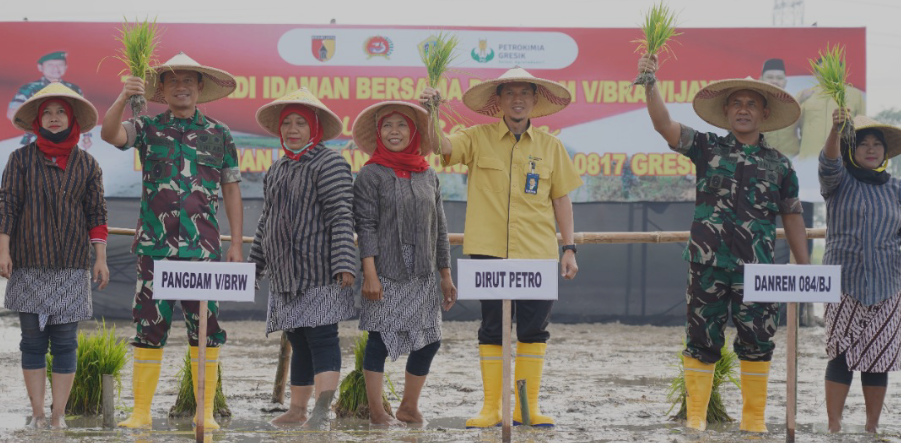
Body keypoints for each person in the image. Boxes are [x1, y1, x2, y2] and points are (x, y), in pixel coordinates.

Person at [637, 54, 811, 433]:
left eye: (752, 104)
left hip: (758, 270)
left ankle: (754, 419)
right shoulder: (707, 148)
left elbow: (793, 216)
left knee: (759, 341)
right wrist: (650, 83)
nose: (744, 110)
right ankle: (696, 415)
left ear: (764, 113)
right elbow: (664, 125)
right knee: (701, 339)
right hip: (708, 263)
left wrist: (805, 266)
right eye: (737, 103)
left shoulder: (780, 165)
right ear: (727, 111)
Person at [420, 66, 583, 428]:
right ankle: (491, 407)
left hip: (538, 253)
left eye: (525, 93)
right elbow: (441, 148)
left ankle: (527, 407)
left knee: (534, 331)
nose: (518, 99)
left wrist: (569, 248)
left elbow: (562, 200)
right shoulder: (477, 138)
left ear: (535, 99)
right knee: (492, 329)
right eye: (510, 93)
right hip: (488, 251)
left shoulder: (551, 147)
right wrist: (432, 112)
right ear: (499, 101)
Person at [100, 52, 244, 430]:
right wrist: (121, 97)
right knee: (148, 327)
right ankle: (141, 412)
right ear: (161, 89)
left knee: (206, 329)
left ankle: (205, 413)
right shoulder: (146, 127)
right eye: (172, 81)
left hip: (203, 251)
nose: (181, 87)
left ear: (199, 87)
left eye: (188, 81)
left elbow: (231, 189)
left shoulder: (219, 134)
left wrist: (236, 245)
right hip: (155, 250)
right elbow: (110, 134)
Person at [1, 83, 109, 429]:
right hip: (28, 262)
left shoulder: (88, 165)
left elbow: (97, 214)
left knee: (65, 342)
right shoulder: (19, 160)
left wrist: (100, 258)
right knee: (31, 341)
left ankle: (59, 415)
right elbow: (7, 208)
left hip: (72, 266)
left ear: (72, 117)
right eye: (47, 112)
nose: (54, 118)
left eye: (61, 111)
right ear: (37, 120)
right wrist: (3, 250)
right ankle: (36, 413)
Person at [248, 87, 356, 428]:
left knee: (322, 335)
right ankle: (297, 410)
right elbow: (266, 219)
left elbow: (341, 215)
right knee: (296, 336)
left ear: (315, 128)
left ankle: (322, 409)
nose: (292, 129)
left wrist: (343, 263)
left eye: (300, 123)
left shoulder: (331, 163)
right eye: (287, 124)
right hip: (285, 274)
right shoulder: (277, 168)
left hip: (320, 270)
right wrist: (255, 266)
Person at [352, 101, 457, 425]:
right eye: (387, 125)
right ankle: (376, 411)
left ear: (414, 132)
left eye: (402, 125)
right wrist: (370, 274)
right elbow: (365, 226)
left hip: (423, 270)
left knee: (430, 338)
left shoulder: (428, 174)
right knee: (380, 338)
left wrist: (445, 275)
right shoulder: (371, 173)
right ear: (379, 132)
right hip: (385, 269)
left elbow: (439, 227)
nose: (394, 131)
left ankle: (408, 407)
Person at [819, 112, 901, 433]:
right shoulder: (838, 182)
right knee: (840, 355)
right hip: (842, 284)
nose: (870, 149)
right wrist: (835, 128)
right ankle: (834, 427)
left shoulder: (896, 189)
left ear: (884, 152)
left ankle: (871, 428)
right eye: (863, 144)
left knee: (878, 359)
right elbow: (828, 163)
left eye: (876, 144)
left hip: (888, 285)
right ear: (851, 150)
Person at [7, 52, 92, 148]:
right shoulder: (29, 89)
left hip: (67, 142)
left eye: (60, 65)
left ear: (66, 67)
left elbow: (84, 114)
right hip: (35, 142)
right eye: (50, 65)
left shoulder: (74, 89)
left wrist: (87, 137)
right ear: (40, 67)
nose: (55, 69)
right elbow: (12, 113)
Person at [796, 59, 866, 160]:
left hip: (844, 159)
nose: (827, 75)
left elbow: (863, 128)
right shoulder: (804, 95)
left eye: (832, 70)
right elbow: (791, 125)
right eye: (823, 71)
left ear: (841, 72)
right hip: (809, 158)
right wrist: (799, 100)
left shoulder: (855, 95)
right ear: (816, 73)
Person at [759, 58, 801, 158]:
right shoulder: (751, 106)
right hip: (761, 161)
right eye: (770, 77)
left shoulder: (795, 106)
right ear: (761, 79)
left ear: (785, 82)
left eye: (779, 78)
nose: (774, 81)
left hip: (793, 161)